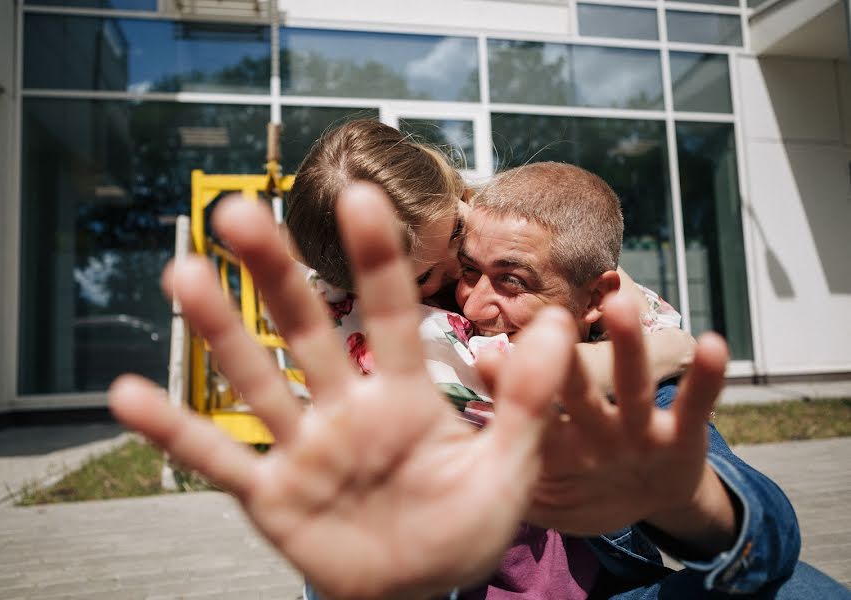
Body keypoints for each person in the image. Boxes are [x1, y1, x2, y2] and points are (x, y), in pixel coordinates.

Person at [109, 184, 848, 599]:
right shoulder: (412, 365)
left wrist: (683, 501)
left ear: (596, 297)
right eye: (465, 270)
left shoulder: (620, 373)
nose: (477, 303)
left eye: (513, 281)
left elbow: (764, 527)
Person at [286, 120, 694, 410]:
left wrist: (658, 332)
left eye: (457, 230)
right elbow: (531, 378)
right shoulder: (376, 327)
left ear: (456, 192)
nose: (459, 260)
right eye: (425, 276)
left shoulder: (483, 207)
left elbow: (594, 273)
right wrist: (670, 349)